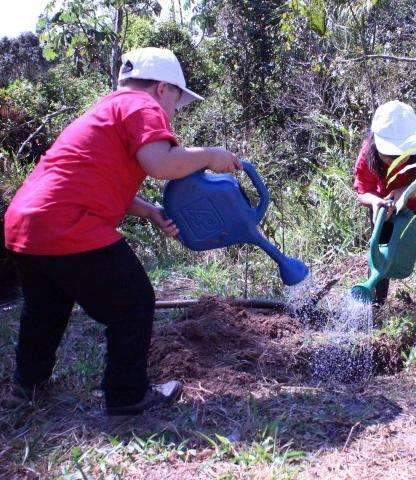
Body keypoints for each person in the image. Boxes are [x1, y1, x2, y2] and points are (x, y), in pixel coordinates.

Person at [2, 47, 243, 416]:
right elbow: (160, 164)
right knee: (133, 301)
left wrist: (149, 211)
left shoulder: (106, 110)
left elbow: (88, 178)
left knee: (45, 309)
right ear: (163, 89)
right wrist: (211, 155)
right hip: (68, 222)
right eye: (177, 99)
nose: (175, 111)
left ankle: (26, 387)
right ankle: (127, 395)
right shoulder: (142, 106)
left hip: (25, 223)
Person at [353, 100, 416, 307]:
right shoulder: (367, 155)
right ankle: (374, 304)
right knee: (379, 249)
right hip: (384, 208)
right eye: (389, 155)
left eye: (401, 155)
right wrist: (376, 203)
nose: (394, 160)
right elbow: (363, 190)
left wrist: (406, 192)